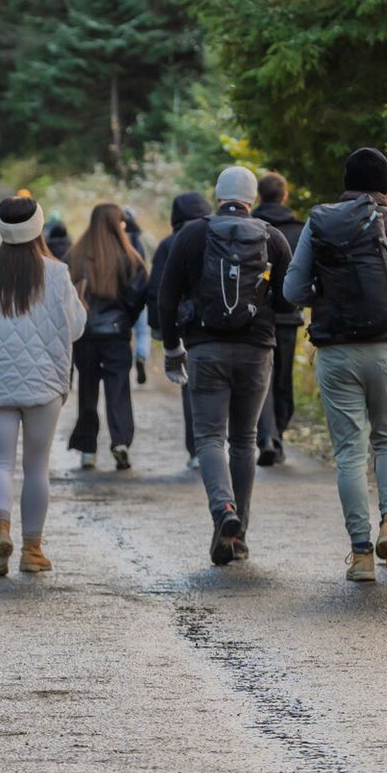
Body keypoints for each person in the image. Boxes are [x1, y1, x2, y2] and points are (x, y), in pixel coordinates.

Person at [285, 149, 387, 582]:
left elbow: (293, 289)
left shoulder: (320, 221)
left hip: (335, 352)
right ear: (386, 185)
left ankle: (360, 554)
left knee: (350, 453)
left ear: (347, 181)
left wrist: (325, 291)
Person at [158, 167, 294, 564]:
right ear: (253, 198)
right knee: (245, 440)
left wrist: (171, 348)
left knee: (210, 438)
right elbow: (287, 301)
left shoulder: (194, 234)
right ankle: (239, 538)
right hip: (256, 351)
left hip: (206, 349)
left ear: (217, 194)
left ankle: (224, 511)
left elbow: (167, 297)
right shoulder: (273, 237)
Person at [0, 197, 87, 576]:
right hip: (45, 386)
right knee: (37, 467)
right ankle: (32, 550)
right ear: (38, 226)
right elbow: (76, 327)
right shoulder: (57, 274)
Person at [66, 203, 148, 471]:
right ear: (117, 224)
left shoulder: (76, 255)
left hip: (85, 335)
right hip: (115, 335)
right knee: (118, 389)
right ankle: (120, 441)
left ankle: (88, 449)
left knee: (87, 391)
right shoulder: (129, 257)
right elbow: (138, 296)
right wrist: (125, 321)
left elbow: (65, 295)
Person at [149, 192, 212, 468]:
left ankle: (198, 449)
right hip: (218, 322)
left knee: (192, 389)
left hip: (185, 325)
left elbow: (158, 290)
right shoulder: (217, 235)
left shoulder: (168, 244)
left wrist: (158, 327)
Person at [253, 173, 306, 467]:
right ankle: (279, 435)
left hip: (257, 315)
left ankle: (266, 437)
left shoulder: (251, 226)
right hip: (288, 315)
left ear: (259, 196)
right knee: (283, 378)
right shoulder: (300, 230)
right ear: (284, 196)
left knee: (263, 378)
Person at [124, 207, 152, 383]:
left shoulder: (118, 238)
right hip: (143, 288)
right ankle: (141, 356)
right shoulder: (145, 238)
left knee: (124, 330)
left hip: (123, 291)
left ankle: (125, 363)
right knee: (143, 331)